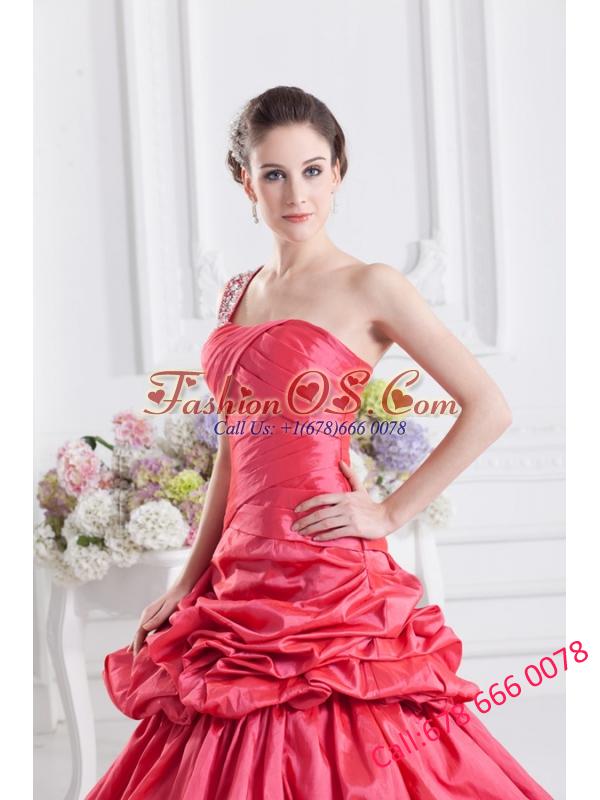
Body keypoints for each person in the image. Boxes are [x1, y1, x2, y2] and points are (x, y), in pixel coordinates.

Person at [85, 86, 554, 799]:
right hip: (241, 571)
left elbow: (488, 408)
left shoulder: (372, 285)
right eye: (274, 174)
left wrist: (389, 512)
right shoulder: (238, 293)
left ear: (338, 171)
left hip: (326, 564)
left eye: (312, 170)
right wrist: (188, 578)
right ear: (245, 182)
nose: (296, 194)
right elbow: (234, 448)